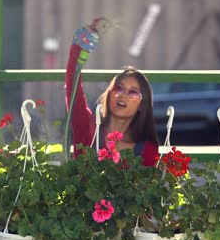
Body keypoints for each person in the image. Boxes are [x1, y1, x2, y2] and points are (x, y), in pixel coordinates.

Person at [65, 20, 159, 166]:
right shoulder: (87, 127)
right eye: (119, 88)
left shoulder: (147, 150)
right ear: (109, 93)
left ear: (142, 104)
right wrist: (78, 47)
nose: (123, 95)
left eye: (133, 93)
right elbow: (73, 89)